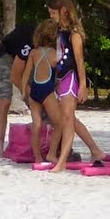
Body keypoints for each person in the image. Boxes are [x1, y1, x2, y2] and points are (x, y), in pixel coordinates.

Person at [45, 0, 106, 165]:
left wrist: (83, 85)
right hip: (61, 78)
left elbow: (79, 61)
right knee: (68, 117)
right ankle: (95, 150)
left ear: (63, 10)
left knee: (67, 118)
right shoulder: (60, 31)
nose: (51, 16)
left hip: (70, 78)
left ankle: (62, 160)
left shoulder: (74, 33)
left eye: (53, 12)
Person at [24, 22, 74, 170]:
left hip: (34, 92)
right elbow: (62, 72)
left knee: (37, 125)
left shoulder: (34, 53)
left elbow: (26, 75)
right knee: (59, 123)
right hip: (47, 92)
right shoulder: (54, 54)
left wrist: (23, 92)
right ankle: (52, 153)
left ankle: (37, 155)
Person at [0, 20, 37, 158]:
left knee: (38, 96)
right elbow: (16, 76)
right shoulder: (30, 42)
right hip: (6, 56)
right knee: (4, 100)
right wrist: (28, 94)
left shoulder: (49, 46)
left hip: (27, 60)